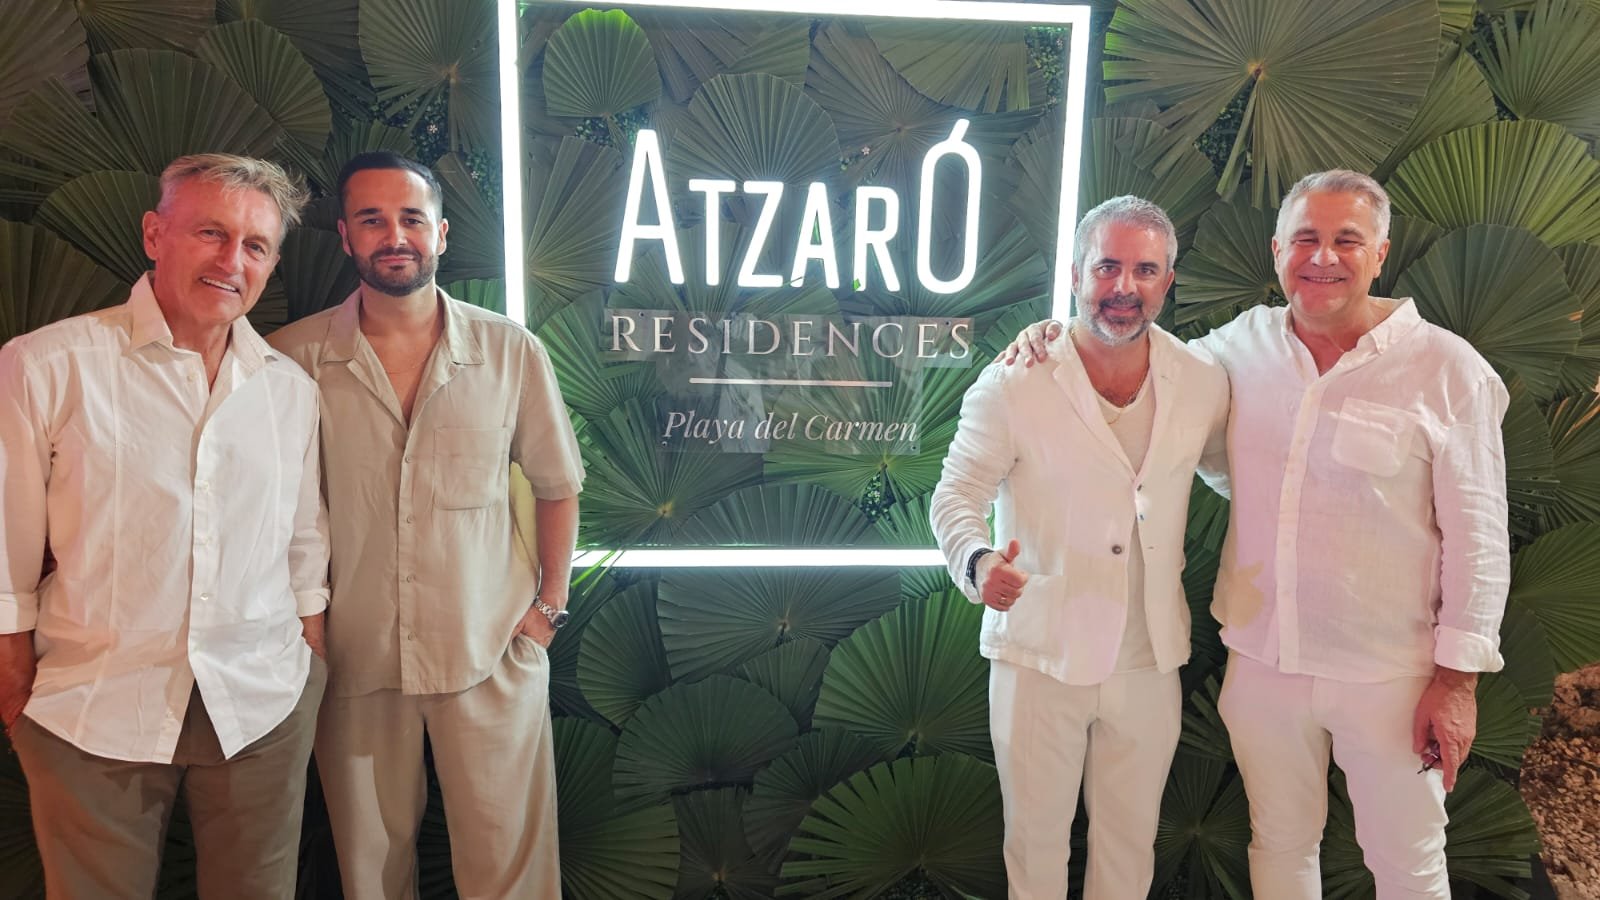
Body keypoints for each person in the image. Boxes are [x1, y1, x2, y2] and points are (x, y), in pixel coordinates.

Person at [1004, 170, 1510, 899]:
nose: (1323, 257)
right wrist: (1048, 335)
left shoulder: (1447, 369)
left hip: (1392, 673)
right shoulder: (1237, 348)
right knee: (1277, 843)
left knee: (1409, 863)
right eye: (1306, 238)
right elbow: (1130, 351)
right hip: (1263, 662)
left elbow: (1480, 539)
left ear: (1381, 252)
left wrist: (1457, 682)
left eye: (1346, 240)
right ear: (1277, 251)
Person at [0, 153, 328, 899]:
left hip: (260, 703)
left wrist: (310, 655)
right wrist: (11, 660)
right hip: (92, 702)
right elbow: (3, 530)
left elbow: (304, 539)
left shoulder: (289, 390)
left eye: (255, 246)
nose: (230, 260)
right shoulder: (48, 365)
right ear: (155, 234)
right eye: (211, 232)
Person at [267, 151, 584, 899]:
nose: (394, 235)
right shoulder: (290, 360)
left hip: (490, 646)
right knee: (370, 875)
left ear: (440, 232)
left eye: (411, 218)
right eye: (372, 219)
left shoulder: (510, 351)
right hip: (352, 658)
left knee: (513, 871)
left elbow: (558, 485)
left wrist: (547, 609)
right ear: (345, 237)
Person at [930, 196, 1229, 899]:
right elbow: (954, 493)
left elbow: (1233, 471)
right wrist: (976, 564)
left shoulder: (1203, 381)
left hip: (1150, 658)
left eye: (1145, 270)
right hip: (1040, 655)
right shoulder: (1013, 380)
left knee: (1129, 849)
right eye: (1108, 266)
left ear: (1168, 279)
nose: (1124, 287)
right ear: (1074, 274)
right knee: (1033, 848)